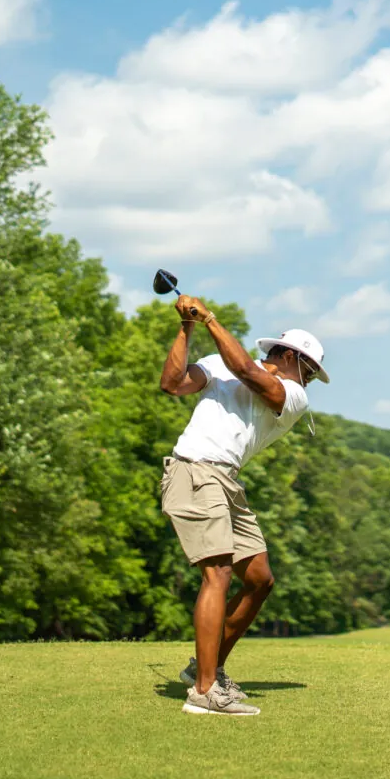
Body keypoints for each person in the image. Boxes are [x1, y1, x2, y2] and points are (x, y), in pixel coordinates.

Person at [159, 293, 329, 716]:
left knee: (259, 579)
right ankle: (203, 693)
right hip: (194, 471)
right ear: (290, 355)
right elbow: (173, 384)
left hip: (226, 480)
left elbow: (247, 371)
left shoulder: (292, 395)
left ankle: (206, 667)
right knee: (217, 575)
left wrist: (209, 319)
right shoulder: (220, 364)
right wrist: (187, 327)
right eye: (310, 369)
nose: (309, 380)